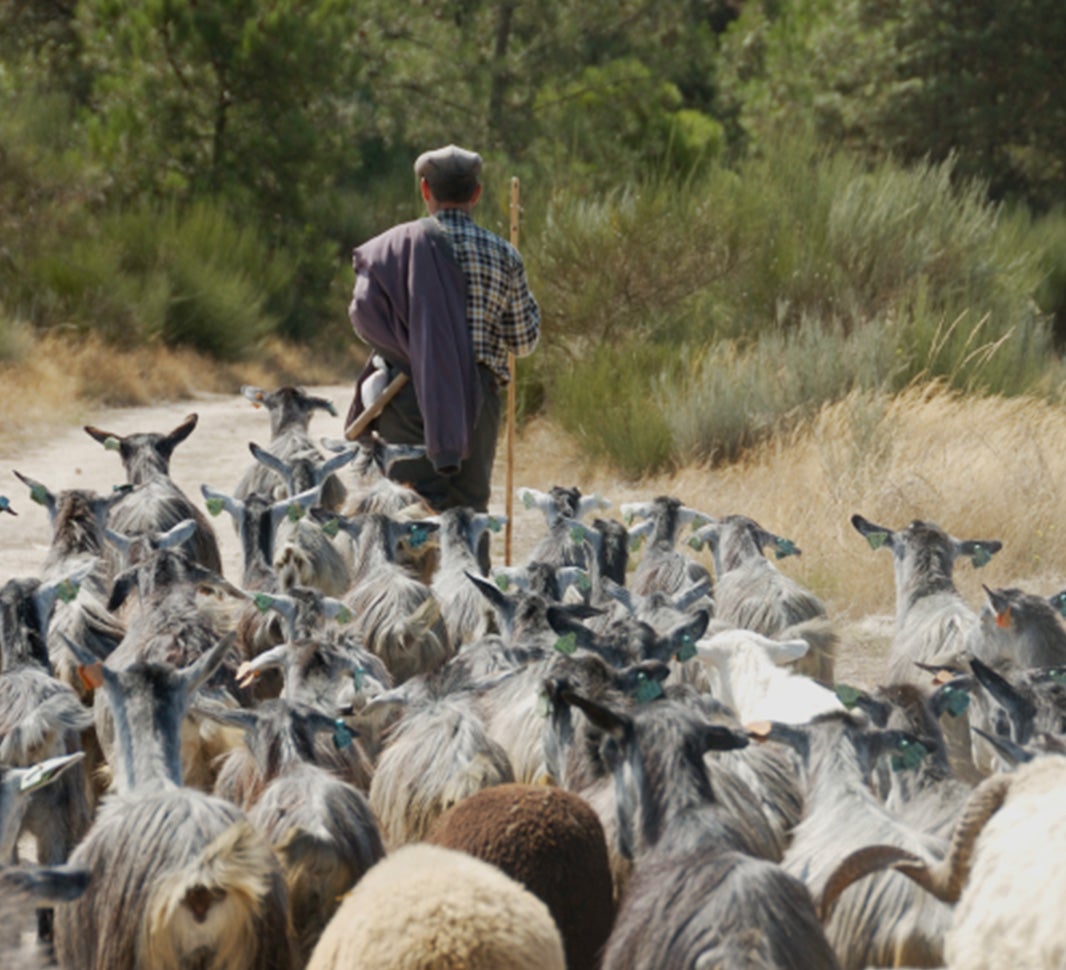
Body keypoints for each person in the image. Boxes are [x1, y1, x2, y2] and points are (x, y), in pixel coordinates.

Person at [346, 144, 540, 518]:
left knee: (408, 506)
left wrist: (410, 352)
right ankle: (469, 575)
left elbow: (362, 315)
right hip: (477, 399)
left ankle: (411, 577)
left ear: (424, 189)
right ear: (477, 194)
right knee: (469, 512)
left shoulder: (393, 247)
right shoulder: (504, 254)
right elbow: (524, 341)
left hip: (407, 393)